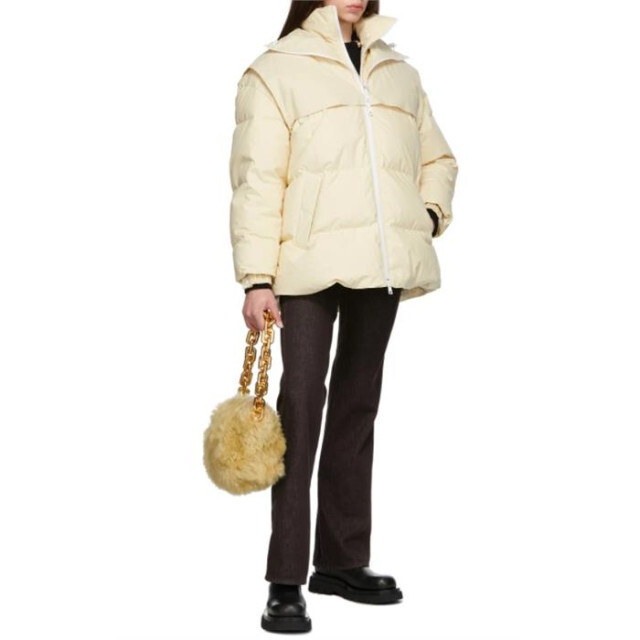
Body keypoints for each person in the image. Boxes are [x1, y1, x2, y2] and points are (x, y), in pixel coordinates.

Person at [228, 0, 458, 633]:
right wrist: (257, 278)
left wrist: (425, 215)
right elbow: (256, 179)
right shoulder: (277, 70)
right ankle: (285, 577)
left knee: (358, 408)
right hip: (304, 269)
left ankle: (342, 561)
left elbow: (438, 160)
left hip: (379, 267)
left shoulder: (397, 72)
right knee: (301, 408)